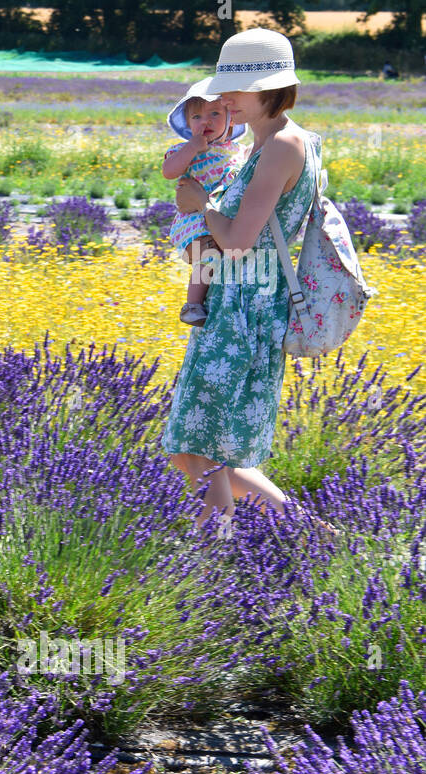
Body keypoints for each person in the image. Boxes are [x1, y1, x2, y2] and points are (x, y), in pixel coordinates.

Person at [162, 28, 338, 541]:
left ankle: (215, 554)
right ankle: (311, 534)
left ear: (273, 89)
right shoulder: (270, 142)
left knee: (199, 444)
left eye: (238, 90)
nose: (226, 100)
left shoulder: (282, 145)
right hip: (236, 301)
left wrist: (201, 206)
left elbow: (238, 241)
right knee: (199, 444)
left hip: (247, 308)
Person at [161, 78, 248, 328]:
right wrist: (191, 148)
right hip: (194, 222)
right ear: (188, 123)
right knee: (207, 256)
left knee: (221, 259)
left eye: (214, 113)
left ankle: (213, 303)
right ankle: (192, 304)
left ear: (231, 119)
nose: (205, 121)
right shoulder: (184, 149)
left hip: (219, 219)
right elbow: (169, 171)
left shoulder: (237, 151)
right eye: (196, 117)